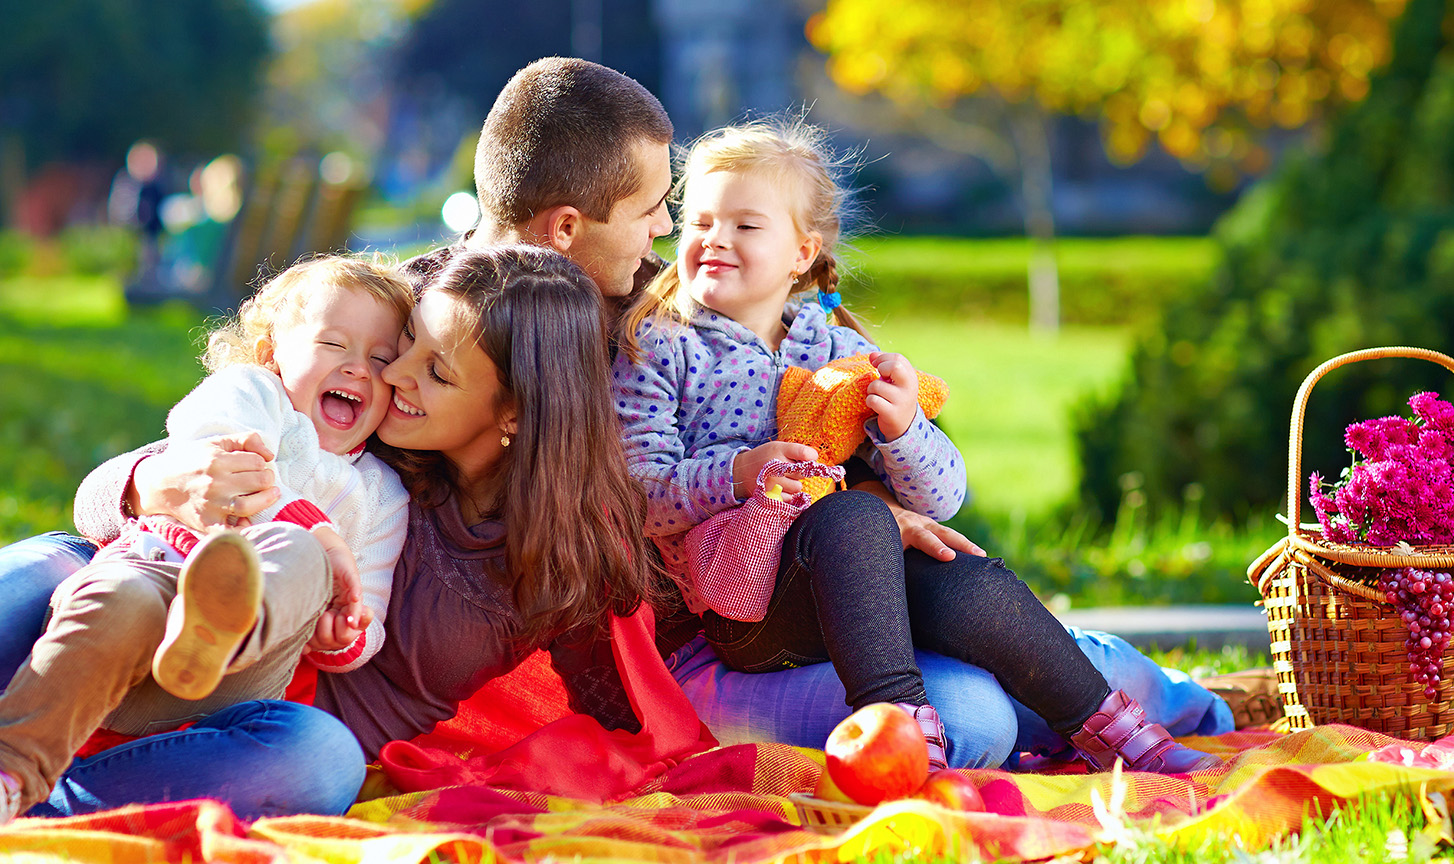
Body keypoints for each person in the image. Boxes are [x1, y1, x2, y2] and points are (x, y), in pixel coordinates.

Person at [0, 55, 1230, 788]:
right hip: (397, 642)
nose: (670, 236)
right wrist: (147, 481)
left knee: (956, 671)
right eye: (653, 209)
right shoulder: (412, 339)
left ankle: (1145, 695)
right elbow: (256, 411)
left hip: (712, 608)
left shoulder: (646, 318)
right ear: (560, 228)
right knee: (54, 571)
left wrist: (850, 499)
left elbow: (800, 402)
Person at [613, 118, 1221, 774]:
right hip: (748, 611)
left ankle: (1117, 735)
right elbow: (636, 495)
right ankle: (902, 736)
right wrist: (739, 471)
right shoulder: (661, 345)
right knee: (854, 516)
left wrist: (904, 431)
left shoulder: (840, 351)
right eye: (700, 221)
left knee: (962, 577)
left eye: (745, 225)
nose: (715, 240)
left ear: (802, 253)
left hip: (860, 594)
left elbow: (943, 497)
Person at [0, 255, 414, 823]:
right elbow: (212, 444)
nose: (358, 370)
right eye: (334, 345)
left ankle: (219, 628)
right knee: (120, 598)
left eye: (381, 359)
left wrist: (342, 631)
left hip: (237, 666)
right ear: (272, 354)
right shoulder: (252, 396)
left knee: (304, 559)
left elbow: (366, 608)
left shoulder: (382, 495)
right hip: (153, 576)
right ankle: (14, 775)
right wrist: (311, 522)